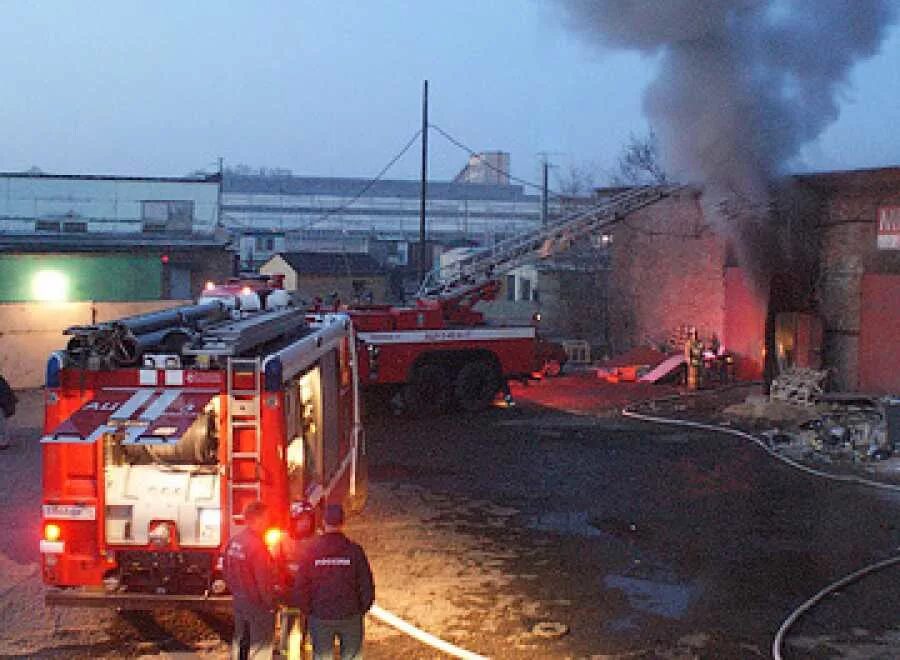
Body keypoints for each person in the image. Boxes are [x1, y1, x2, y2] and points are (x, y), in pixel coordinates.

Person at [296, 503, 374, 660]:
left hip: (320, 616)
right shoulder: (355, 551)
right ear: (343, 523)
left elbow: (301, 585)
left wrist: (308, 610)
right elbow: (366, 584)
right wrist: (360, 609)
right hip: (349, 615)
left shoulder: (311, 551)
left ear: (323, 523)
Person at [223, 501, 277, 660]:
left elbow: (226, 570)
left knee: (240, 641)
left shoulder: (234, 541)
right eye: (266, 518)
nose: (268, 522)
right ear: (258, 519)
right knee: (260, 646)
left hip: (240, 600)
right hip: (257, 604)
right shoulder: (258, 547)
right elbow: (264, 580)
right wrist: (270, 603)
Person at [0, 373, 16, 450]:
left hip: (3, 401)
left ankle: (3, 442)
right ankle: (3, 441)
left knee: (2, 421)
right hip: (4, 400)